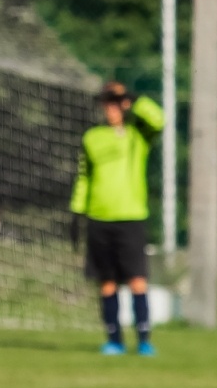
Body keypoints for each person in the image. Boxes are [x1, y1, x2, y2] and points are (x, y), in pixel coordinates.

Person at [70, 81, 164, 356]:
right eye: (107, 102)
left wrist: (133, 100)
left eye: (115, 102)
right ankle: (114, 339)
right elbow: (84, 178)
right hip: (99, 218)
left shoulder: (138, 136)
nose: (110, 108)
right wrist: (77, 211)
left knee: (137, 279)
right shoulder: (93, 137)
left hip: (131, 218)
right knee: (107, 282)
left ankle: (144, 339)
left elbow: (159, 119)